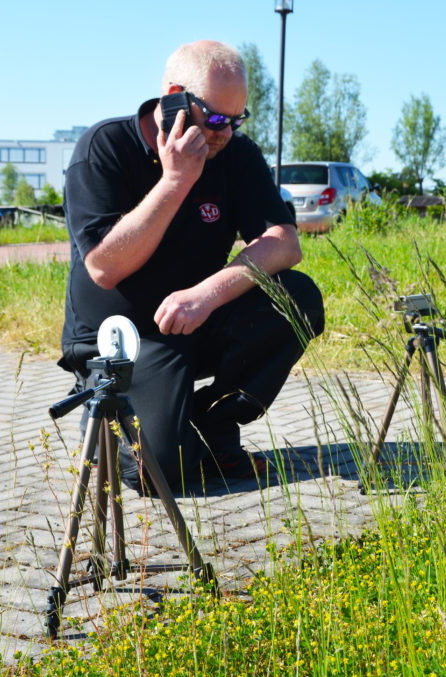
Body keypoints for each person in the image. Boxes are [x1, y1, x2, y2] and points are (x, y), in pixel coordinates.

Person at [58, 40, 325, 494]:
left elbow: (283, 243)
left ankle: (213, 426)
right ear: (175, 96)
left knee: (297, 298)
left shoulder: (235, 154)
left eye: (238, 119)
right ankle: (120, 416)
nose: (226, 131)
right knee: (157, 474)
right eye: (217, 118)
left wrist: (207, 295)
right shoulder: (105, 148)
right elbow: (104, 266)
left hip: (194, 319)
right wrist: (177, 180)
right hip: (122, 338)